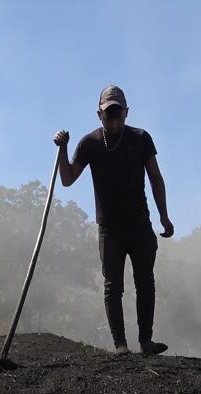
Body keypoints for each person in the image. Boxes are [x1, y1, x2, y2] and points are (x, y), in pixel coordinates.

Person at [54, 84, 173, 355]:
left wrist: (164, 216)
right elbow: (67, 178)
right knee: (113, 286)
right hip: (109, 228)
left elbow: (155, 177)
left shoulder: (141, 139)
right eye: (109, 115)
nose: (114, 120)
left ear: (127, 113)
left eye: (118, 114)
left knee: (145, 282)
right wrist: (63, 148)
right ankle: (120, 345)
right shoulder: (90, 144)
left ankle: (145, 341)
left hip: (140, 224)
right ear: (99, 115)